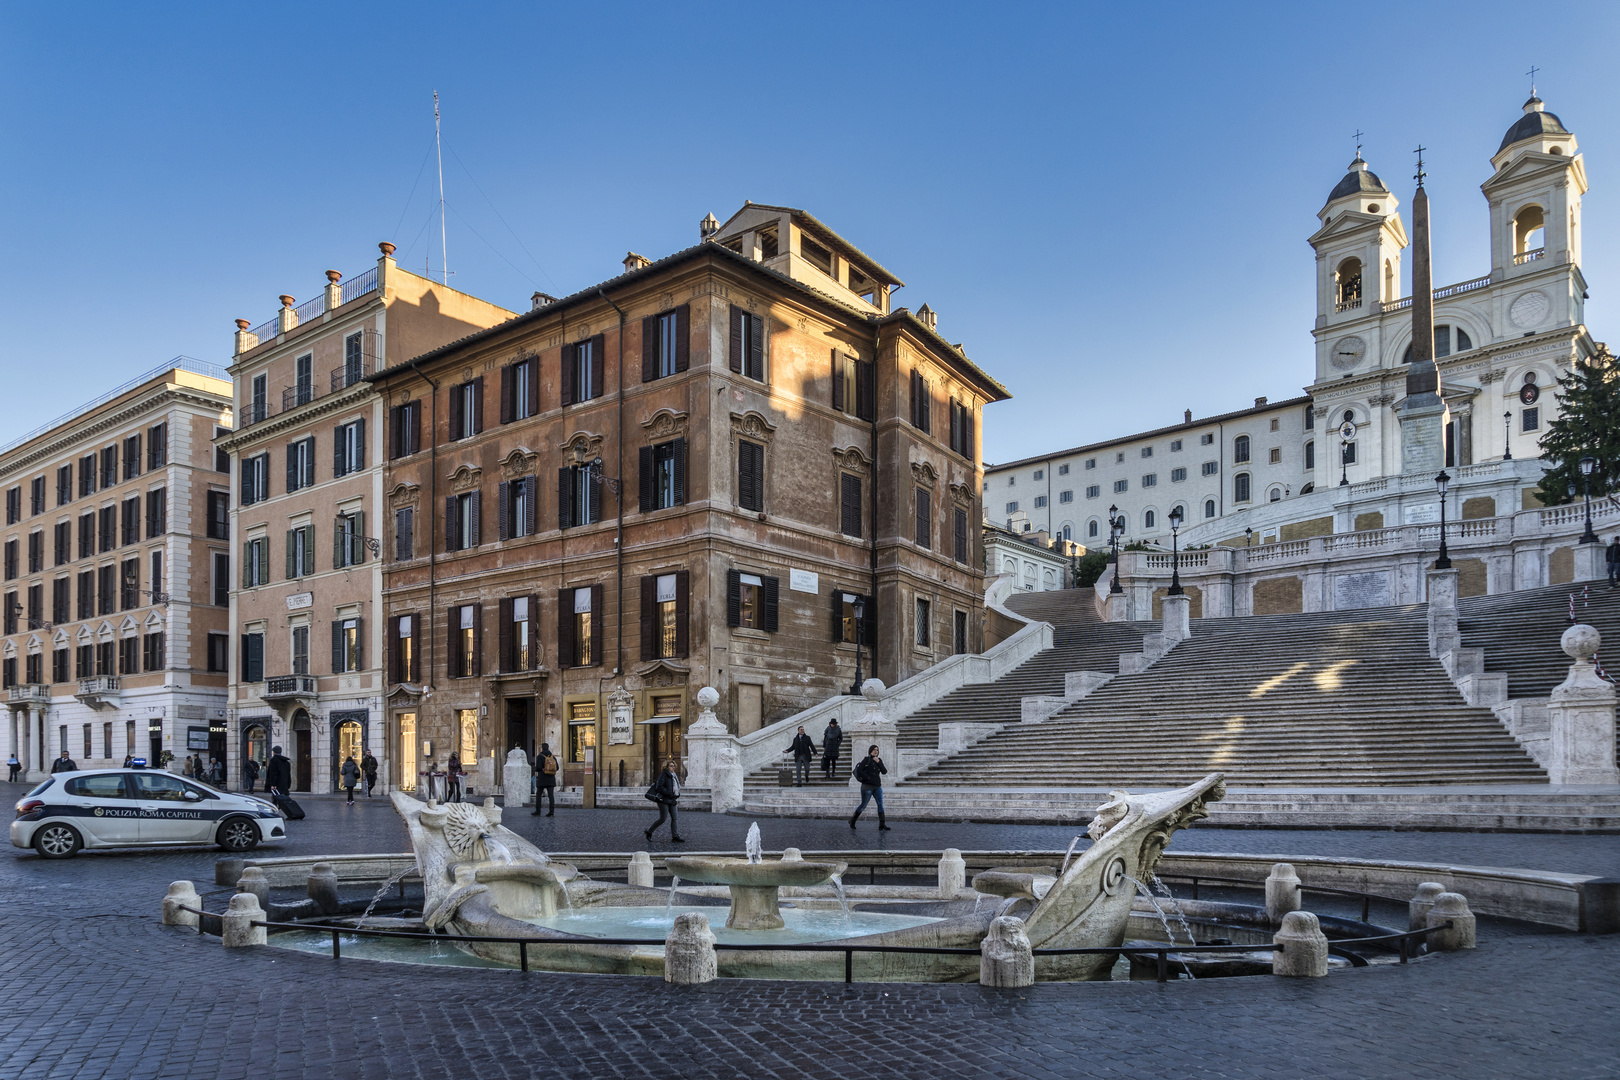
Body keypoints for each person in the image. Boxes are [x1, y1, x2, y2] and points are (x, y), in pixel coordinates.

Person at [849, 744, 890, 831]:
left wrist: (878, 762)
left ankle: (882, 824)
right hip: (867, 787)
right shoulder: (866, 759)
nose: (876, 751)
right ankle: (852, 820)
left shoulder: (879, 760)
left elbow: (884, 772)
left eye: (877, 750)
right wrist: (867, 778)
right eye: (874, 750)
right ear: (870, 751)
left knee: (880, 805)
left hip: (877, 786)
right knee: (863, 805)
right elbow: (859, 770)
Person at [644, 760, 685, 842]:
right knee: (663, 819)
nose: (673, 768)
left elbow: (676, 787)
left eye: (673, 766)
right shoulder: (663, 775)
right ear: (666, 767)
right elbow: (659, 787)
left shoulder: (674, 775)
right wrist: (670, 793)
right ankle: (649, 831)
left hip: (672, 799)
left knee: (675, 818)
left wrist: (676, 794)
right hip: (663, 800)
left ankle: (675, 836)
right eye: (671, 766)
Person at [531, 743, 558, 817]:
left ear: (542, 748)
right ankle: (551, 812)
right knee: (551, 796)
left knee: (539, 794)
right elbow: (557, 767)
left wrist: (538, 769)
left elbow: (538, 767)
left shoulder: (540, 756)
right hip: (551, 779)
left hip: (542, 778)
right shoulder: (552, 757)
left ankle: (538, 811)